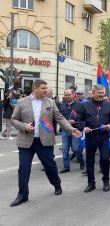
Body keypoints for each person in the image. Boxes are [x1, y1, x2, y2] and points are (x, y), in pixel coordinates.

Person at [9, 79, 81, 207]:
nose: (46, 91)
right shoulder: (21, 102)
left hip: (44, 141)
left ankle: (56, 184)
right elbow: (13, 120)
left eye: (46, 88)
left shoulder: (50, 102)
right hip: (26, 141)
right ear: (35, 89)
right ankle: (22, 195)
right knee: (24, 169)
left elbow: (60, 118)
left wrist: (71, 129)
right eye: (43, 88)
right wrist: (24, 126)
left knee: (50, 166)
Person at [81, 84, 110, 193]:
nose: (101, 95)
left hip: (103, 136)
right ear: (93, 92)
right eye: (99, 93)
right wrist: (83, 127)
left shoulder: (108, 104)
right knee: (90, 160)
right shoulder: (85, 105)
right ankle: (91, 183)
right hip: (90, 136)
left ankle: (106, 181)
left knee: (105, 158)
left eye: (102, 93)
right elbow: (79, 120)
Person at [58, 89, 85, 173]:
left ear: (73, 95)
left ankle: (81, 161)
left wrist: (75, 122)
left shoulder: (79, 105)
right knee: (65, 149)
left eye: (68, 95)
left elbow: (83, 118)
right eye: (65, 95)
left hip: (75, 129)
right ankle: (66, 167)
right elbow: (59, 117)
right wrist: (65, 122)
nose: (66, 96)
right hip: (65, 130)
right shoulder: (62, 106)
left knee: (76, 148)